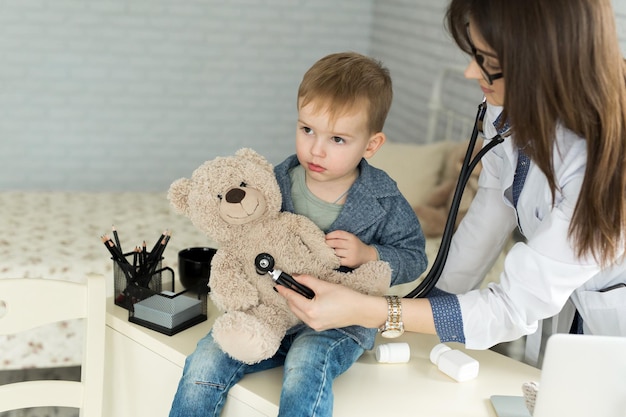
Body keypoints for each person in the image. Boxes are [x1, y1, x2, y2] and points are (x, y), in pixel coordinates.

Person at [277, 0, 626, 368]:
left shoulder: (605, 165)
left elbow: (510, 306)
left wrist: (379, 311)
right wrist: (427, 301)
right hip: (581, 323)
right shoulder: (511, 105)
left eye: (488, 63)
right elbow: (494, 200)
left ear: (542, 63)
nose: (469, 72)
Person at [169, 52, 428, 417]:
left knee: (307, 363)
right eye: (307, 130)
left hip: (337, 319)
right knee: (207, 357)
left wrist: (370, 255)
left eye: (337, 139)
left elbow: (415, 255)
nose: (316, 149)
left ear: (370, 145)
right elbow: (245, 235)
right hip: (271, 310)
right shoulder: (276, 181)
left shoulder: (384, 199)